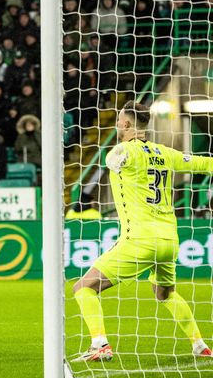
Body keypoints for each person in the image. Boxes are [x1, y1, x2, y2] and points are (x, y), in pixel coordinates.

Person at [73, 101, 213, 362]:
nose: (116, 124)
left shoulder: (121, 150)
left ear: (126, 124)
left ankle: (99, 344)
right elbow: (204, 164)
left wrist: (119, 160)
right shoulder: (165, 152)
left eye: (118, 120)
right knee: (165, 293)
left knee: (84, 287)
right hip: (170, 239)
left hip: (141, 239)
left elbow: (115, 160)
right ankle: (200, 344)